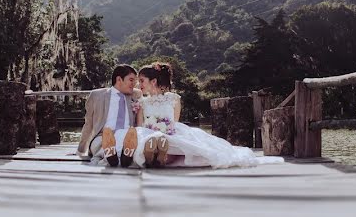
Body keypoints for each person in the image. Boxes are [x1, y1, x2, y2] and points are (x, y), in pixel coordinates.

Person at [134, 62, 284, 169]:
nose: (138, 84)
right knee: (149, 140)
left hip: (170, 133)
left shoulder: (174, 98)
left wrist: (166, 131)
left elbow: (175, 121)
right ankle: (154, 155)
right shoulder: (142, 102)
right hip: (149, 135)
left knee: (193, 149)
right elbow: (140, 126)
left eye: (141, 81)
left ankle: (161, 158)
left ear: (153, 81)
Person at [77, 64, 145, 166]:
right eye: (131, 80)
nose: (134, 84)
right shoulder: (96, 95)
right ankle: (121, 156)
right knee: (103, 143)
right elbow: (88, 124)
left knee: (129, 143)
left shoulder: (136, 95)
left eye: (135, 81)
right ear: (119, 79)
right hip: (102, 136)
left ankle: (109, 158)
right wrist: (81, 150)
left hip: (126, 136)